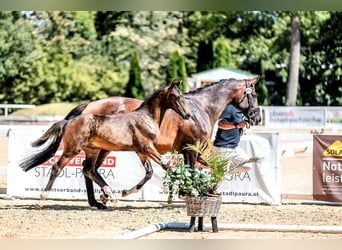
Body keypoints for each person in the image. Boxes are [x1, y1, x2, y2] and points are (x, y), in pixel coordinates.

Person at [213, 104, 251, 174]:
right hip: (223, 148)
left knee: (248, 165)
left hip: (235, 147)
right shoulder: (230, 107)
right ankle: (223, 172)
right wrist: (236, 125)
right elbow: (220, 124)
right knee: (219, 180)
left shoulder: (241, 111)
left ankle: (226, 171)